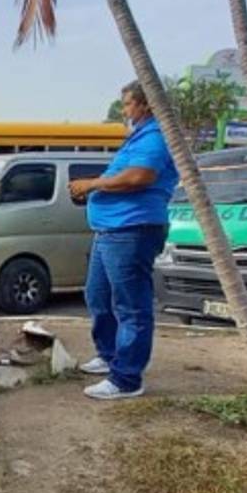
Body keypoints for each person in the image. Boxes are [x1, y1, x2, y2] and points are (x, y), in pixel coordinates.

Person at [67, 80, 179, 400]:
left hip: (132, 230)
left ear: (145, 105)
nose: (124, 110)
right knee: (97, 296)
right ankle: (109, 356)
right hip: (111, 231)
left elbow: (139, 177)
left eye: (128, 103)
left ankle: (127, 378)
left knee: (131, 306)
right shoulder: (138, 137)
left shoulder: (156, 135)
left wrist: (91, 184)